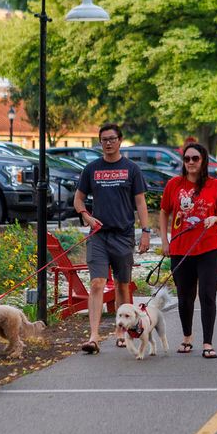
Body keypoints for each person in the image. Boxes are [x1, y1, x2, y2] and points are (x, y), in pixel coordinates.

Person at [73, 123, 151, 354]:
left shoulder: (131, 169)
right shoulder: (91, 169)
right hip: (98, 236)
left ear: (120, 141)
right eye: (104, 139)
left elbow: (140, 203)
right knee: (97, 283)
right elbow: (78, 200)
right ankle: (94, 336)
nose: (108, 143)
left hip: (123, 235)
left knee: (122, 285)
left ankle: (121, 331)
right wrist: (87, 217)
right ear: (100, 142)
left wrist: (145, 232)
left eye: (112, 139)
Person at [159, 142, 217, 359]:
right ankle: (187, 337)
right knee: (184, 296)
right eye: (187, 158)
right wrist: (165, 242)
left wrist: (214, 218)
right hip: (181, 249)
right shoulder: (174, 184)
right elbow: (164, 213)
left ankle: (208, 343)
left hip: (209, 248)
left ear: (203, 161)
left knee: (207, 294)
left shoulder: (215, 185)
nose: (190, 162)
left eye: (195, 159)